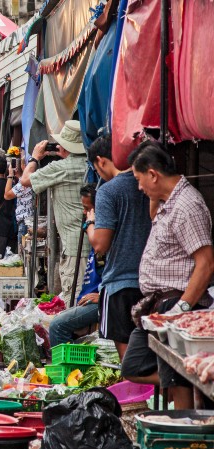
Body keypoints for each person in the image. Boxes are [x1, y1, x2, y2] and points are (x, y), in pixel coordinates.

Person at [121, 141, 214, 410]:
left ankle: (187, 426)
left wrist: (182, 309)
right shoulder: (167, 201)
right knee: (135, 364)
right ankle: (187, 380)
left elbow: (206, 263)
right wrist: (154, 194)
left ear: (153, 174)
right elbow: (153, 217)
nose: (139, 187)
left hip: (177, 303)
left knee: (176, 373)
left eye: (140, 179)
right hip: (159, 305)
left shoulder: (187, 206)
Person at [84, 135, 152, 360]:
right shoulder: (146, 183)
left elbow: (100, 244)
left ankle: (138, 396)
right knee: (152, 357)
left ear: (101, 161)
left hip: (120, 285)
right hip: (152, 284)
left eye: (96, 168)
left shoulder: (108, 191)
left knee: (130, 365)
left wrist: (90, 222)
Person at [21, 120, 89, 297]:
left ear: (65, 146)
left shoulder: (61, 168)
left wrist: (35, 157)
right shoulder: (91, 164)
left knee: (74, 297)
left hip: (75, 247)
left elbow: (25, 180)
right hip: (93, 241)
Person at [49, 185, 104, 347]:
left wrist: (102, 295)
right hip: (87, 301)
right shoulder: (97, 236)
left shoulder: (105, 240)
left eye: (88, 209)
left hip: (101, 301)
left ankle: (67, 372)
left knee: (58, 326)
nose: (84, 213)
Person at [4, 154, 34, 250]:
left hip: (25, 221)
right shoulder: (32, 179)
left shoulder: (23, 183)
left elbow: (7, 195)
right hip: (30, 220)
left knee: (23, 252)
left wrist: (10, 176)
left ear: (24, 166)